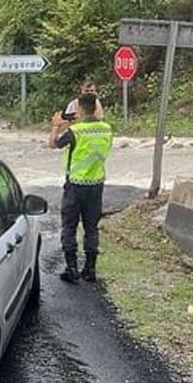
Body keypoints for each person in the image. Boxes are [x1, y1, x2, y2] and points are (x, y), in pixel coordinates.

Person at [49, 93, 114, 283]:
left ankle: (72, 268)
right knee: (91, 227)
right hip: (96, 184)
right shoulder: (106, 129)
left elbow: (53, 144)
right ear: (96, 108)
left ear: (79, 109)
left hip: (75, 186)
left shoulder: (75, 131)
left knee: (69, 226)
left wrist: (56, 125)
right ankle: (90, 269)